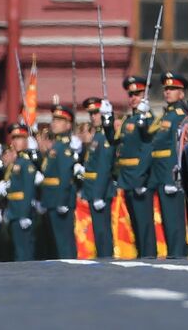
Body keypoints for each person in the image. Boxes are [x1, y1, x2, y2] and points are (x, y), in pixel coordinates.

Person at [115, 75, 156, 258]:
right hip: (127, 178)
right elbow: (117, 143)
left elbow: (148, 148)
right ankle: (141, 255)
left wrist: (141, 178)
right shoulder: (128, 121)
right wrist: (108, 123)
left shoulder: (147, 119)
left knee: (144, 222)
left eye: (137, 94)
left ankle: (149, 256)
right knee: (135, 223)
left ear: (144, 96)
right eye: (131, 94)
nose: (133, 98)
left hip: (140, 178)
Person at [150, 72, 188, 258]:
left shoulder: (180, 115)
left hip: (170, 174)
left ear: (182, 94)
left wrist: (173, 177)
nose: (168, 92)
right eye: (166, 89)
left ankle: (177, 252)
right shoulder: (167, 114)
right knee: (167, 217)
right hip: (160, 173)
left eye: (173, 89)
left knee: (174, 218)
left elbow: (178, 146)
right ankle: (173, 252)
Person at [0, 122, 38, 261]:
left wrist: (25, 214)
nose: (15, 142)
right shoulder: (16, 163)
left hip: (22, 212)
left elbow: (28, 190)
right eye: (13, 138)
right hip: (14, 211)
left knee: (25, 251)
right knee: (18, 250)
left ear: (26, 140)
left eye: (19, 138)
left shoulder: (26, 163)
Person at [39, 104, 78, 259]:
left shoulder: (64, 147)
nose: (54, 123)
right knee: (56, 242)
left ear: (68, 125)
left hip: (60, 199)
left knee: (64, 242)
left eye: (59, 120)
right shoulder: (57, 146)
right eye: (54, 119)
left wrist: (62, 200)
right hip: (51, 198)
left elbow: (65, 176)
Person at [80, 96, 117, 258]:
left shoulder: (104, 137)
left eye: (96, 113)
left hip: (100, 190)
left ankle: (106, 258)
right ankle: (103, 256)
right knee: (98, 229)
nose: (93, 117)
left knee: (102, 230)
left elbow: (104, 167)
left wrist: (97, 194)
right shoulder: (97, 136)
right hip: (93, 188)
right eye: (91, 114)